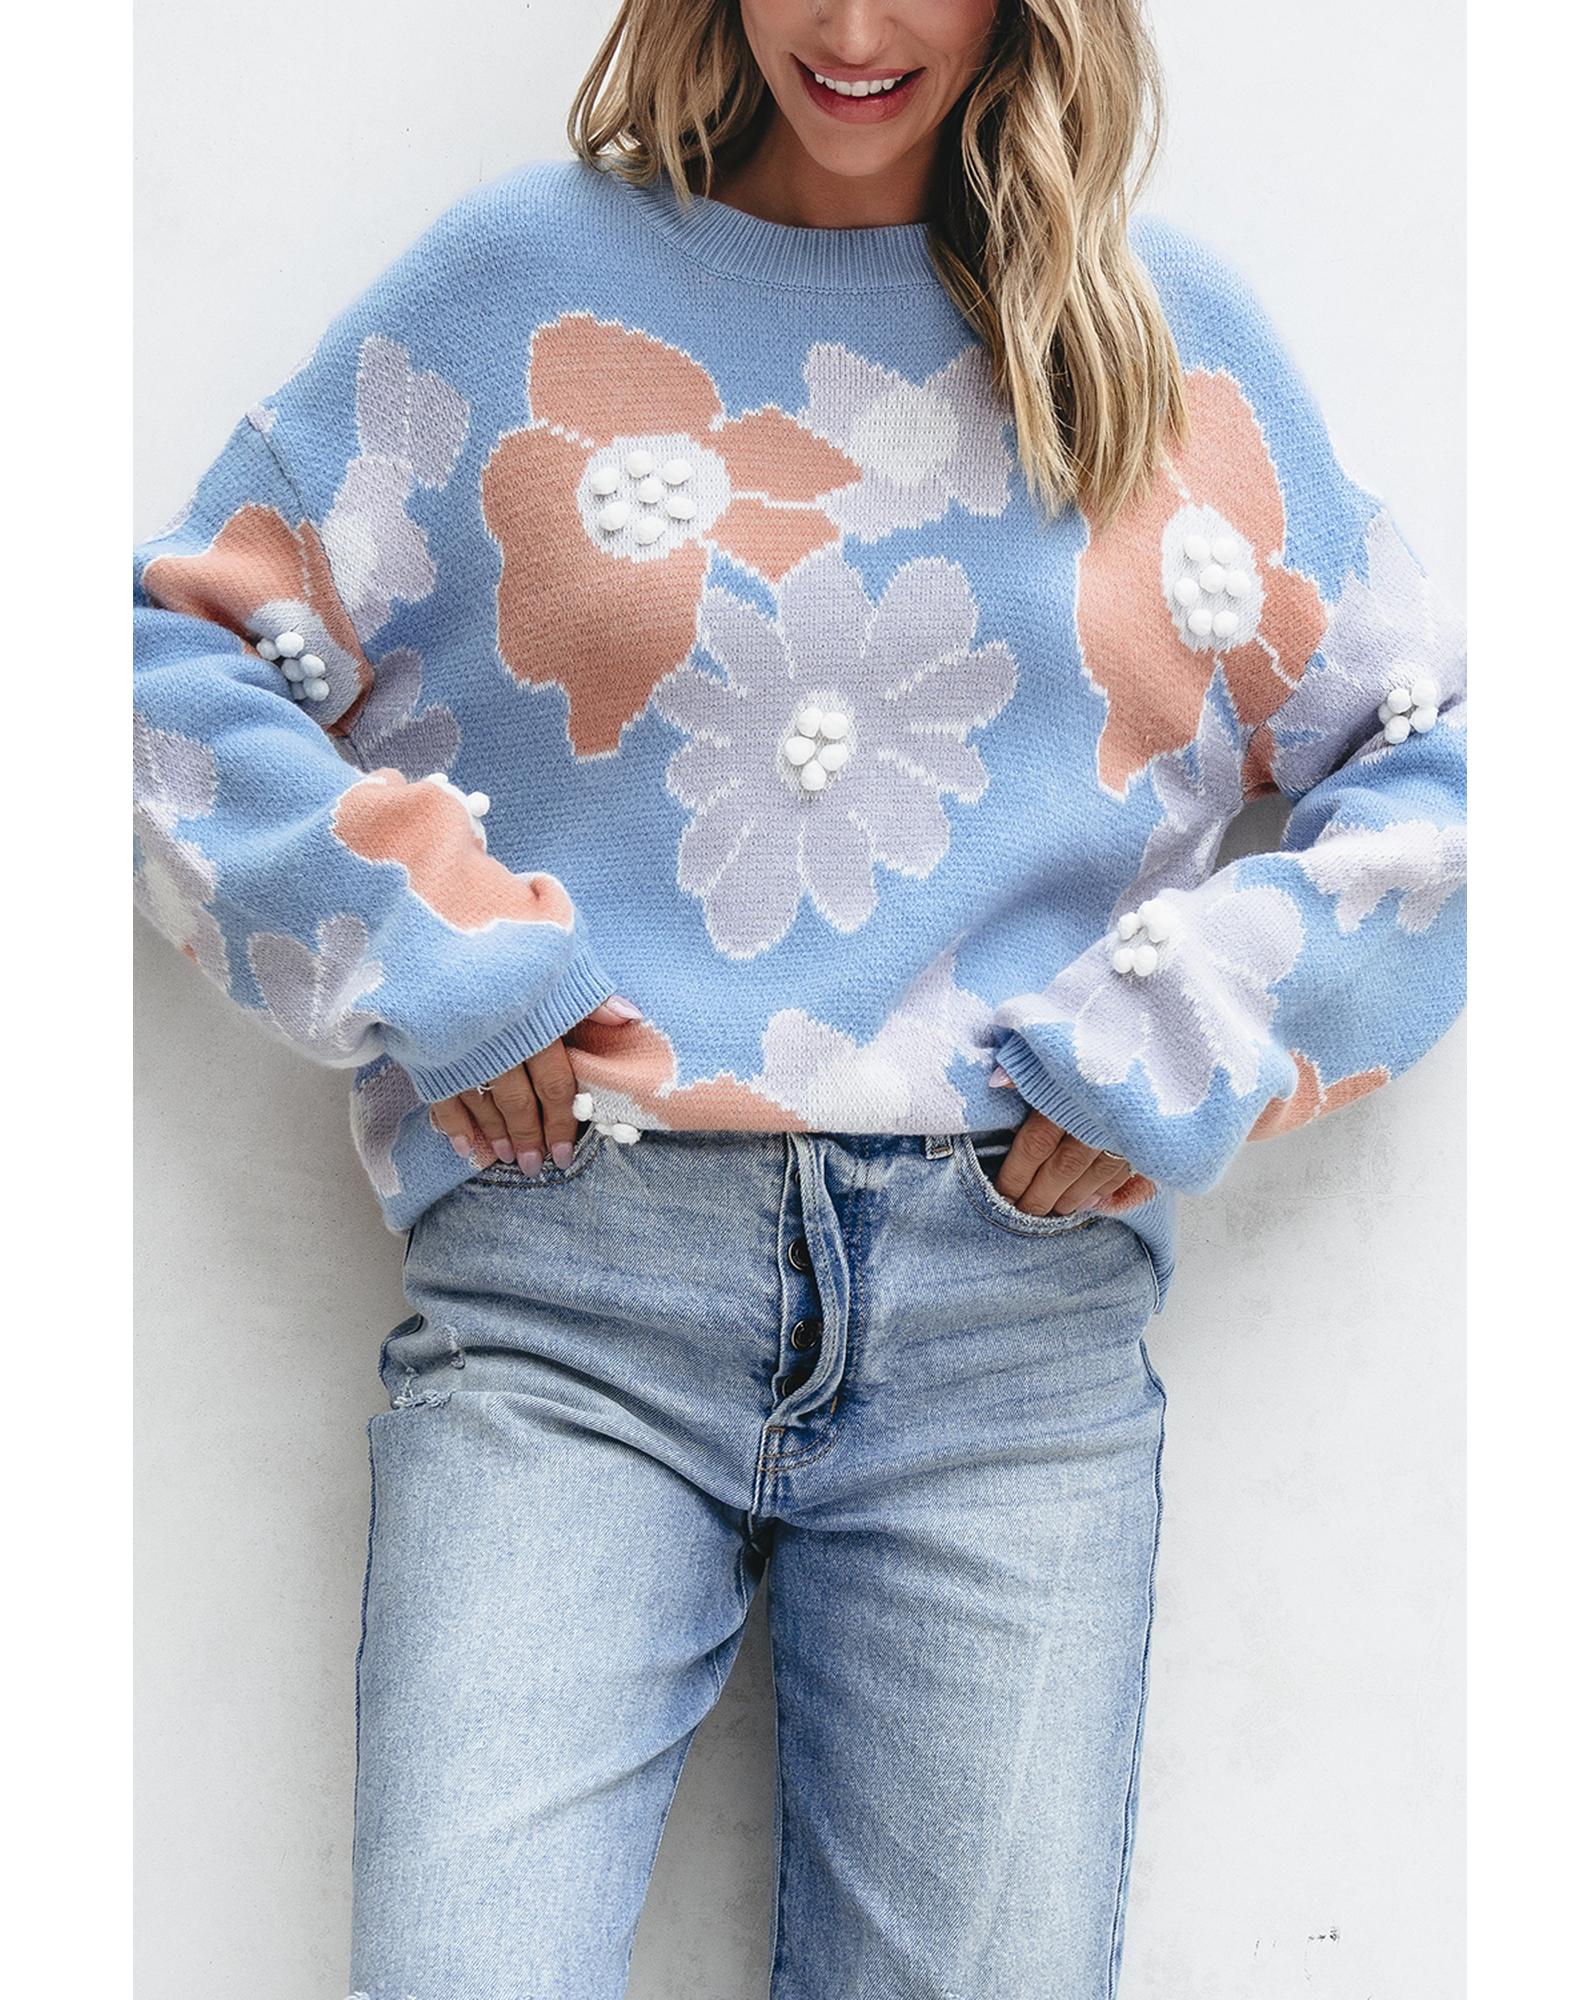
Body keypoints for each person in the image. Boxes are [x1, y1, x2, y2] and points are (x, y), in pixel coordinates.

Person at [132, 2, 1466, 1993]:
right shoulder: (517, 291)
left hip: (1008, 1337)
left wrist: (1175, 1035)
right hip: (571, 1296)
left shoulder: (1153, 343)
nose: (850, 28)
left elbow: (1448, 779)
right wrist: (441, 955)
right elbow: (165, 672)